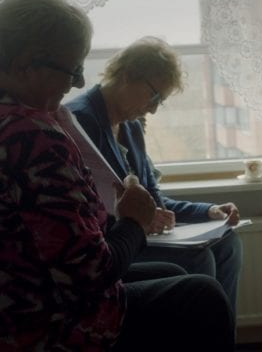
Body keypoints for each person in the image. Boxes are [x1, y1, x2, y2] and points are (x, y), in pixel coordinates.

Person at [0, 0, 234, 350]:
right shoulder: (32, 136)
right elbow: (91, 274)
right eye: (72, 70)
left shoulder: (33, 123)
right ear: (24, 64)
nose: (76, 83)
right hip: (41, 321)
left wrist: (196, 211)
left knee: (175, 271)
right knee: (201, 296)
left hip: (29, 290)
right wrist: (133, 223)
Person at [65, 36, 243, 313]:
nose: (154, 108)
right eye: (155, 95)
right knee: (199, 260)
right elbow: (89, 209)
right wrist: (140, 219)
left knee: (229, 244)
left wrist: (208, 211)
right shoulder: (81, 120)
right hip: (113, 242)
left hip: (142, 234)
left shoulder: (131, 127)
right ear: (127, 76)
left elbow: (153, 199)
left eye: (162, 101)